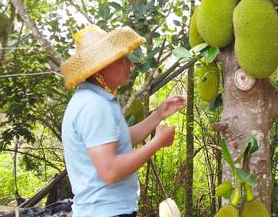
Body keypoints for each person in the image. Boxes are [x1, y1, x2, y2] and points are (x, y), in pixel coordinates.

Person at [60, 25, 185, 217]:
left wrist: (159, 113)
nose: (130, 64)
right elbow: (110, 171)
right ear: (100, 68)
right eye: (121, 60)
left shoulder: (95, 99)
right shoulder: (95, 105)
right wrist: (157, 142)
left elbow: (120, 139)